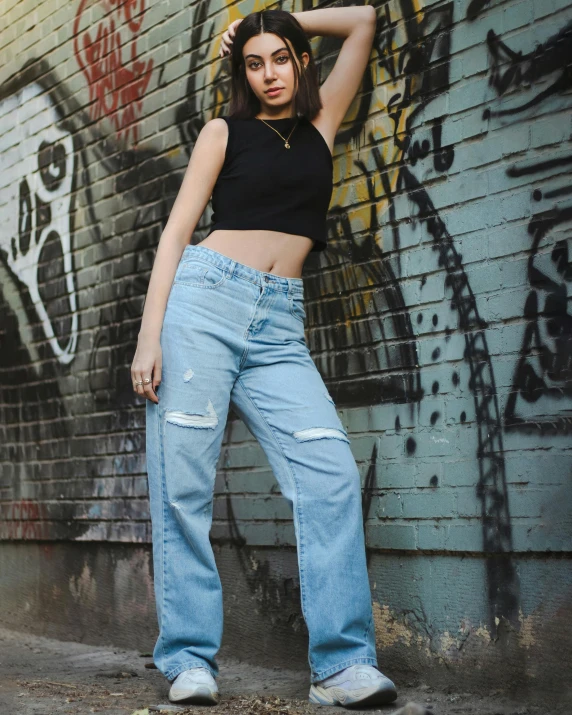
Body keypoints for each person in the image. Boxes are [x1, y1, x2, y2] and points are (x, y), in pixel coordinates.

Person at [131, 6, 398, 710]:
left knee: (331, 473)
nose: (269, 73)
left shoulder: (322, 123)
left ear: (300, 61)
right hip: (203, 306)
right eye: (254, 62)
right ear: (242, 74)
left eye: (280, 57)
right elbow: (176, 232)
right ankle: (188, 658)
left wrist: (274, 18)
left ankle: (341, 667)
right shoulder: (226, 132)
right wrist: (149, 333)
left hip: (280, 324)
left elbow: (366, 20)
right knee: (183, 484)